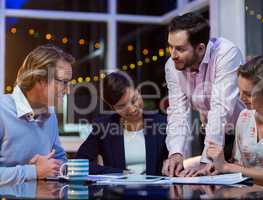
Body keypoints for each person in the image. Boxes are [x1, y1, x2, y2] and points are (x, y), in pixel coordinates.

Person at [162, 11, 244, 177]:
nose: (173, 55)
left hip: (241, 134)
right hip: (209, 132)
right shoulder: (172, 65)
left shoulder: (226, 53)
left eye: (179, 49)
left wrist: (207, 159)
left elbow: (220, 109)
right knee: (206, 188)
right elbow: (177, 111)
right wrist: (176, 152)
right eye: (170, 47)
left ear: (200, 48)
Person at [207, 55, 263, 189]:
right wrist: (217, 167)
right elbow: (240, 167)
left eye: (248, 94)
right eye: (239, 91)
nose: (241, 97)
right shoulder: (245, 117)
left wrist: (227, 167)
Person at [0, 45, 74, 185]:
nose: (67, 90)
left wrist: (52, 166)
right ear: (40, 79)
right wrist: (33, 171)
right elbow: (37, 171)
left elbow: (61, 161)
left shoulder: (50, 115)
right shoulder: (2, 110)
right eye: (64, 82)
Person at [76, 72, 169, 175]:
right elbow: (80, 163)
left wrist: (171, 161)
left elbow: (175, 158)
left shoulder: (162, 124)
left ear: (138, 91)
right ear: (113, 108)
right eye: (122, 106)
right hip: (117, 190)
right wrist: (118, 173)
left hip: (155, 190)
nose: (132, 109)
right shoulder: (104, 128)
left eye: (134, 100)